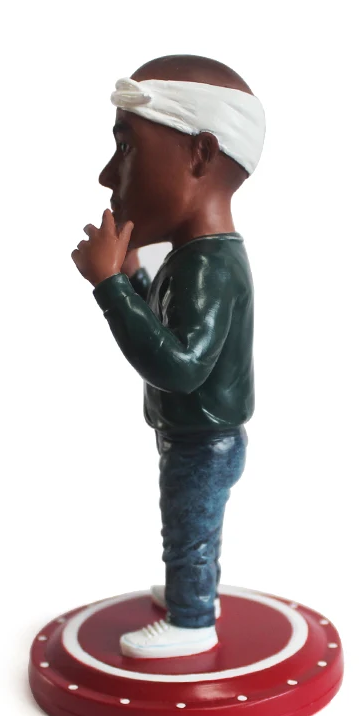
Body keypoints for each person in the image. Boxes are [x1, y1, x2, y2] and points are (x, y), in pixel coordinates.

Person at [71, 55, 265, 658]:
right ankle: (194, 592)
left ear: (201, 154)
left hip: (203, 440)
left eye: (126, 148)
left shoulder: (208, 267)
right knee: (190, 526)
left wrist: (110, 288)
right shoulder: (197, 259)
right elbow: (167, 330)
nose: (108, 174)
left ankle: (193, 619)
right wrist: (132, 280)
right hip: (198, 436)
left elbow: (179, 368)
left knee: (188, 531)